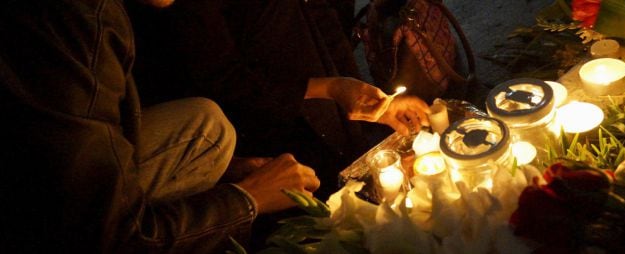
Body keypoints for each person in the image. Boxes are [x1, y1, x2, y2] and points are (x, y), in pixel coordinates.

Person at [0, 0, 326, 252]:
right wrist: (248, 199)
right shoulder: (77, 19)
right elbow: (106, 237)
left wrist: (229, 171)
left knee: (205, 127)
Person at [126, 0, 431, 199]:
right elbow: (222, 77)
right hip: (261, 123)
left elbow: (322, 17)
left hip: (319, 85)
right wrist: (330, 88)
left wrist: (366, 97)